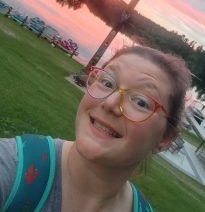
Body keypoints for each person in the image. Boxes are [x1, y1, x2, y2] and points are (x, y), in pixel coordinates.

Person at [0, 45, 192, 212]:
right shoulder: (14, 166)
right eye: (107, 82)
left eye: (141, 102)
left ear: (165, 139)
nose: (110, 103)